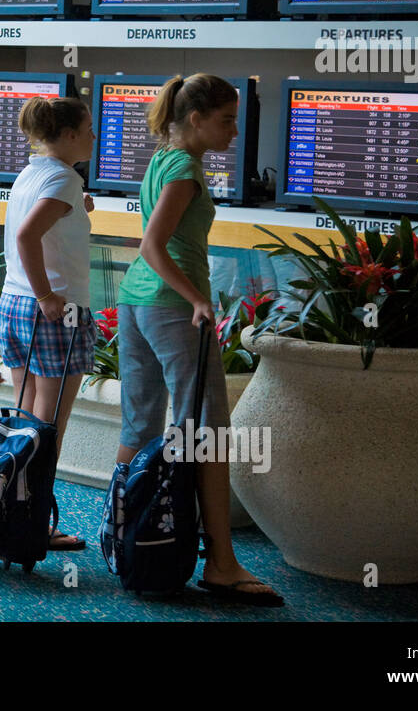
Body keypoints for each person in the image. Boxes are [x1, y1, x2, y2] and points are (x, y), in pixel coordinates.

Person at [113, 73, 284, 606]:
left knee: (140, 425)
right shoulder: (185, 167)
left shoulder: (162, 158)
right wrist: (197, 298)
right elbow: (152, 244)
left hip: (136, 304)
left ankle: (128, 542)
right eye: (226, 120)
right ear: (195, 119)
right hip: (169, 308)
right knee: (208, 434)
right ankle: (222, 565)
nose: (235, 130)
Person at [0, 95, 97, 552]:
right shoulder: (63, 178)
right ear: (71, 135)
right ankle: (35, 520)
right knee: (48, 427)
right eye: (90, 129)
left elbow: (38, 225)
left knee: (25, 422)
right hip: (55, 312)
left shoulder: (33, 171)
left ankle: (9, 511)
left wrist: (79, 206)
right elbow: (26, 234)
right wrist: (47, 295)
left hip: (13, 305)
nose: (95, 137)